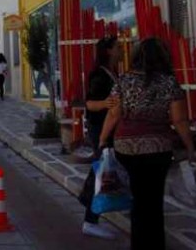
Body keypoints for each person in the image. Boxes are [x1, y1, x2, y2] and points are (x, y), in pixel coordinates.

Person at [99, 38, 195, 250]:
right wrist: (189, 146)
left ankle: (139, 244)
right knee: (153, 200)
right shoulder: (169, 82)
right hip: (157, 148)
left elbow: (114, 114)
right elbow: (179, 120)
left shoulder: (123, 81)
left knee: (138, 198)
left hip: (126, 147)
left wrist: (102, 139)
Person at [80, 37, 121, 240]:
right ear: (108, 51)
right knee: (101, 173)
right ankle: (90, 219)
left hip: (112, 129)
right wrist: (107, 103)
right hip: (101, 129)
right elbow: (89, 104)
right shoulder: (100, 75)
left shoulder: (113, 73)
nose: (120, 50)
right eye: (117, 47)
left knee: (106, 171)